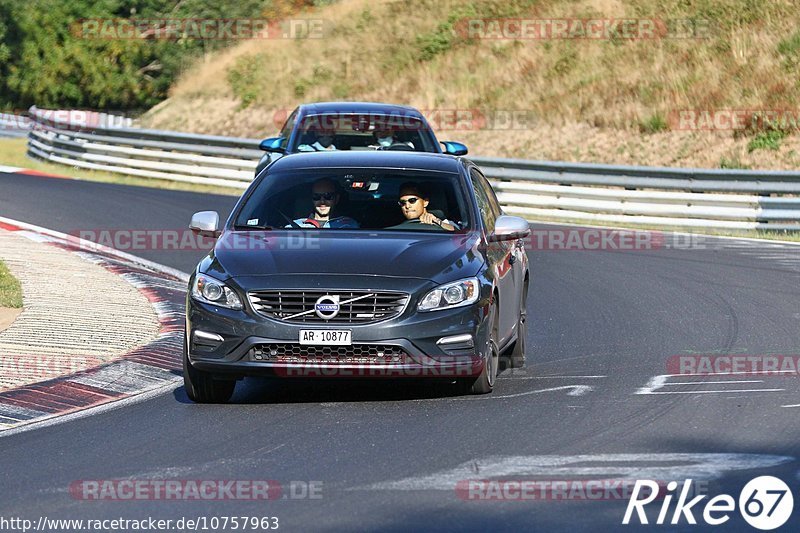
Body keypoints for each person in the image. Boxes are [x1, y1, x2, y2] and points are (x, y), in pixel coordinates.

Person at [289, 178, 359, 228]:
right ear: (312, 199)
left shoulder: (348, 225)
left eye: (327, 196)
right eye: (316, 196)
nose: (322, 201)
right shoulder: (295, 226)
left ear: (336, 199)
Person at [392, 182, 458, 231]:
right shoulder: (393, 226)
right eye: (402, 202)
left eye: (412, 200)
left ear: (425, 202)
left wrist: (438, 222)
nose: (407, 206)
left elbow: (459, 234)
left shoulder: (443, 221)